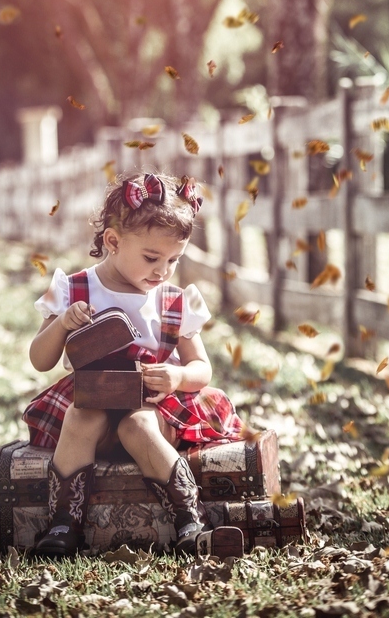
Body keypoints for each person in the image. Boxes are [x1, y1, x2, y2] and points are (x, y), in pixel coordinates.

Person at [23, 169, 245, 558]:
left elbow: (202, 370)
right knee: (80, 417)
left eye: (174, 260)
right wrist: (61, 324)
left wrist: (177, 375)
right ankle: (64, 523)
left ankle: (189, 520)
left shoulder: (173, 300)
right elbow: (40, 361)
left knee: (137, 423)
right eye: (151, 258)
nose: (162, 271)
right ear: (113, 241)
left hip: (151, 410)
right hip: (92, 406)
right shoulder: (73, 289)